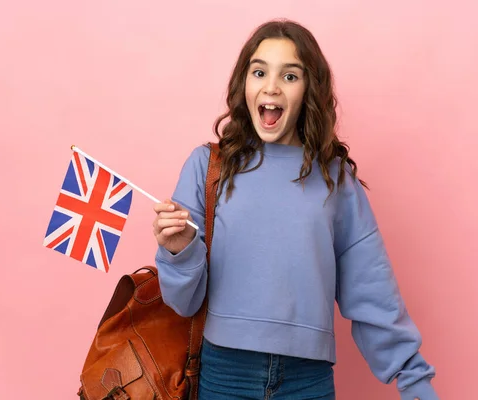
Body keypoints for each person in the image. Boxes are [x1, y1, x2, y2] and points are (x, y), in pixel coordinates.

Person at [152, 19, 438, 400]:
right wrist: (180, 250)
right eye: (259, 72)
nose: (271, 86)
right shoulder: (208, 167)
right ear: (245, 85)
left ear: (308, 90)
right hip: (225, 375)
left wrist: (413, 379)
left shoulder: (335, 178)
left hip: (308, 381)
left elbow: (372, 289)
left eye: (290, 76)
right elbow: (182, 302)